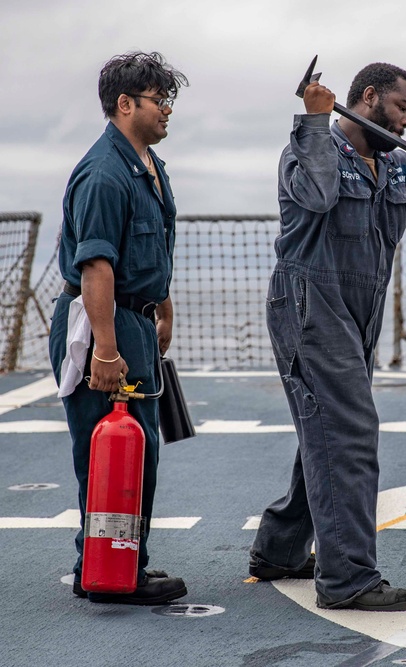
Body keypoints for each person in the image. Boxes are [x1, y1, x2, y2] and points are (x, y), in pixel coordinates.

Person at [249, 62, 406, 611]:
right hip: (310, 304)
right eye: (400, 110)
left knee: (327, 429)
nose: (405, 126)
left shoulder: (397, 166)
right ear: (367, 97)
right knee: (347, 433)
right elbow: (321, 195)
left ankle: (279, 550)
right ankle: (348, 578)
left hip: (358, 310)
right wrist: (314, 121)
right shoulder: (307, 149)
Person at [48, 52, 189, 604]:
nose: (168, 111)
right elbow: (96, 267)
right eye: (160, 100)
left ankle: (115, 564)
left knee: (140, 451)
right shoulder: (106, 172)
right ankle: (108, 572)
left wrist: (164, 305)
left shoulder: (146, 162)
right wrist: (104, 350)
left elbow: (145, 248)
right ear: (125, 103)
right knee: (103, 451)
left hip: (133, 316)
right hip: (101, 321)